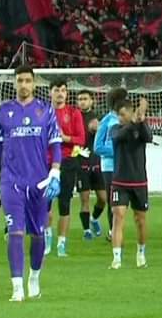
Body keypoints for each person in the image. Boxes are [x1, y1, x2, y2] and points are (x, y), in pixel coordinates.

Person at [0, 65, 62, 301]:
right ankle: (16, 286)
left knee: (37, 234)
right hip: (11, 181)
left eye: (27, 80)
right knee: (15, 232)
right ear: (15, 83)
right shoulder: (4, 111)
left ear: (34, 83)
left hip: (38, 182)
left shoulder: (45, 111)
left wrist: (55, 172)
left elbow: (55, 144)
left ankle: (34, 276)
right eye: (19, 80)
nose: (23, 85)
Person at [109, 97, 152, 269]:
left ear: (130, 112)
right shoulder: (115, 129)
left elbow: (148, 137)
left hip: (139, 182)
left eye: (122, 114)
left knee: (140, 220)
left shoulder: (141, 128)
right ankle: (117, 258)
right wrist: (134, 121)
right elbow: (121, 135)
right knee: (118, 216)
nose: (120, 118)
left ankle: (141, 253)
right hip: (119, 181)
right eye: (119, 115)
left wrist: (141, 120)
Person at [48, 80, 86, 258]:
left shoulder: (74, 113)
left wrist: (64, 138)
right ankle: (47, 241)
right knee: (44, 204)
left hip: (68, 161)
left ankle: (61, 244)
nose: (60, 93)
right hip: (46, 162)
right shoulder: (42, 113)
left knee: (64, 203)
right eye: (57, 90)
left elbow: (81, 139)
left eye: (63, 90)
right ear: (50, 93)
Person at [93, 87, 128, 241]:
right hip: (110, 168)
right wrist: (119, 150)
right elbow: (97, 147)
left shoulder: (125, 119)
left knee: (123, 203)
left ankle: (116, 230)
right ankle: (112, 232)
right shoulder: (106, 121)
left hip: (125, 166)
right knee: (113, 201)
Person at [76, 91, 106, 240]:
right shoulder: (75, 118)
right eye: (80, 99)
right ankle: (86, 230)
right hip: (81, 163)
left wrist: (99, 129)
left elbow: (105, 137)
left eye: (85, 99)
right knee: (85, 198)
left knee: (103, 198)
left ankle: (94, 218)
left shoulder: (98, 118)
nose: (82, 102)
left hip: (97, 162)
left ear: (91, 101)